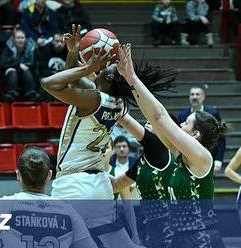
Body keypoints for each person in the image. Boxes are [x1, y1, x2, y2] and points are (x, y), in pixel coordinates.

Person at [41, 24, 175, 247]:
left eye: (107, 70)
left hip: (74, 185)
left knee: (52, 241)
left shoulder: (93, 99)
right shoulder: (117, 101)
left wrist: (85, 67)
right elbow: (74, 81)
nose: (103, 68)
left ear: (109, 81)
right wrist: (73, 54)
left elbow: (49, 83)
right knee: (119, 243)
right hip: (100, 185)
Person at [116, 43, 226, 248]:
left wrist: (132, 77)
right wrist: (127, 83)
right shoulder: (179, 153)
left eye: (186, 123)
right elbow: (153, 117)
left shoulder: (202, 157)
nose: (180, 124)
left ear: (195, 134)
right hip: (179, 238)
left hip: (201, 239)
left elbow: (159, 117)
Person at [111, 115, 178, 248]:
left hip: (168, 224)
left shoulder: (159, 148)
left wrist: (115, 107)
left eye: (152, 121)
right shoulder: (146, 158)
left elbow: (128, 122)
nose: (147, 122)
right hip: (151, 224)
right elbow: (117, 185)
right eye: (147, 120)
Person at [177, 87, 226, 172]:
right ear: (189, 97)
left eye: (197, 94)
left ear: (203, 97)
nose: (194, 97)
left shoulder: (213, 113)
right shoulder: (182, 115)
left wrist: (218, 160)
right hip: (188, 154)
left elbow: (220, 138)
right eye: (192, 94)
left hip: (208, 155)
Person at [0, 25, 39, 102]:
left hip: (26, 76)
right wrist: (18, 65)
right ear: (14, 39)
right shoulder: (8, 48)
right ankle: (10, 95)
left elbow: (33, 65)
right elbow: (3, 64)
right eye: (18, 38)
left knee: (27, 72)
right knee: (12, 71)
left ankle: (31, 95)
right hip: (9, 77)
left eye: (22, 38)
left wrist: (22, 67)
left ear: (25, 39)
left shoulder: (31, 48)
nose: (20, 40)